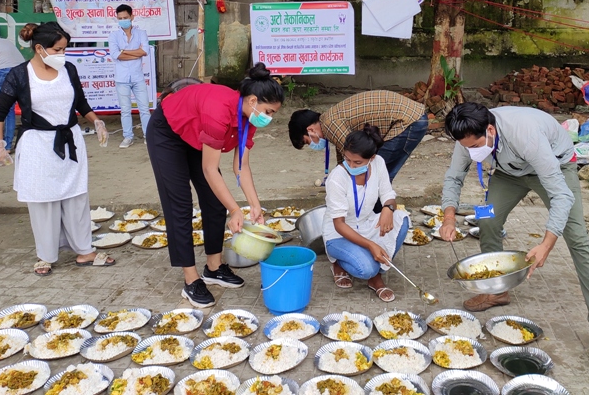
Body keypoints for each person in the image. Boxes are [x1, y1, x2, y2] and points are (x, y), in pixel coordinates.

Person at [439, 102, 589, 351]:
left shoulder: (526, 136)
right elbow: (454, 176)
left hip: (555, 168)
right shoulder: (467, 137)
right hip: (507, 173)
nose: (471, 152)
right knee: (487, 218)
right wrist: (448, 216)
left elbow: (562, 197)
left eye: (476, 147)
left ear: (490, 130)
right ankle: (497, 291)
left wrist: (546, 243)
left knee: (577, 238)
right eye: (467, 148)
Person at [146, 63, 284, 307]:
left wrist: (255, 206)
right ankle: (191, 279)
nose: (269, 118)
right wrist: (235, 209)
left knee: (214, 201)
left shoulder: (249, 118)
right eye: (269, 111)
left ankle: (214, 266)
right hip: (167, 133)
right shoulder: (218, 110)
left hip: (196, 137)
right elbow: (210, 170)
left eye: (273, 113)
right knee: (180, 205)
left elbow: (241, 166)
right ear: (253, 100)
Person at [0, 22, 114, 276]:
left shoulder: (68, 69)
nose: (62, 55)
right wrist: (0, 144)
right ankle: (46, 255)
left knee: (76, 196)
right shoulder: (19, 74)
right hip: (38, 144)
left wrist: (96, 121)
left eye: (64, 50)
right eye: (57, 50)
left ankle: (84, 250)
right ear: (39, 48)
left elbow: (80, 101)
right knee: (43, 200)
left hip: (70, 141)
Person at [323, 125, 410, 302]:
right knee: (366, 268)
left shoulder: (378, 163)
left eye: (357, 163)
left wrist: (388, 209)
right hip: (338, 233)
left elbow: (388, 195)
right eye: (347, 160)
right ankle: (339, 263)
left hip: (366, 223)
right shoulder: (336, 178)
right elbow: (339, 224)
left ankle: (376, 276)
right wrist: (371, 245)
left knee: (403, 219)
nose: (351, 166)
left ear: (371, 158)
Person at [288, 90, 428, 182]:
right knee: (380, 174)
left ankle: (377, 216)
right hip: (412, 116)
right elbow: (344, 157)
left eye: (307, 142)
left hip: (408, 120)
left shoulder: (329, 125)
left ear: (310, 130)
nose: (312, 145)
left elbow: (356, 153)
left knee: (376, 176)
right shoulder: (328, 121)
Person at [108, 4, 150, 148]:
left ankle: (148, 135)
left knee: (144, 108)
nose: (123, 20)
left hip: (138, 77)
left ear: (132, 17)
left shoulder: (141, 33)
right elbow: (115, 55)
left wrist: (124, 51)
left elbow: (145, 52)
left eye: (125, 17)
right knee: (125, 110)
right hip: (122, 79)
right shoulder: (114, 35)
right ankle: (128, 137)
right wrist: (135, 52)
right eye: (120, 18)